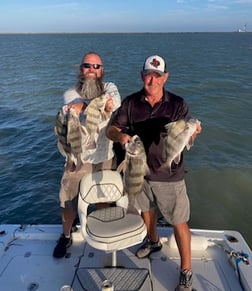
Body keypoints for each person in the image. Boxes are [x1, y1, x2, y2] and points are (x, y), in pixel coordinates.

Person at [106, 55, 201, 291]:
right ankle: (153, 241)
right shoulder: (130, 103)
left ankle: (186, 271)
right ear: (142, 76)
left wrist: (193, 133)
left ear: (165, 77)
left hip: (170, 175)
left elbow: (188, 136)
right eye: (149, 74)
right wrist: (120, 136)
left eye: (158, 76)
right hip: (139, 171)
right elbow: (111, 129)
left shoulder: (178, 105)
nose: (153, 80)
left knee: (179, 221)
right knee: (146, 210)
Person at [53, 52, 121, 258]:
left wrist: (104, 105)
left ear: (102, 71)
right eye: (87, 66)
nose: (92, 70)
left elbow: (114, 102)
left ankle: (101, 230)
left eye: (96, 66)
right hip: (77, 156)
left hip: (104, 156)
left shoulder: (110, 87)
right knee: (69, 201)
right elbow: (72, 107)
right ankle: (66, 235)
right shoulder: (69, 93)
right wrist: (83, 106)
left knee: (103, 199)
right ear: (80, 69)